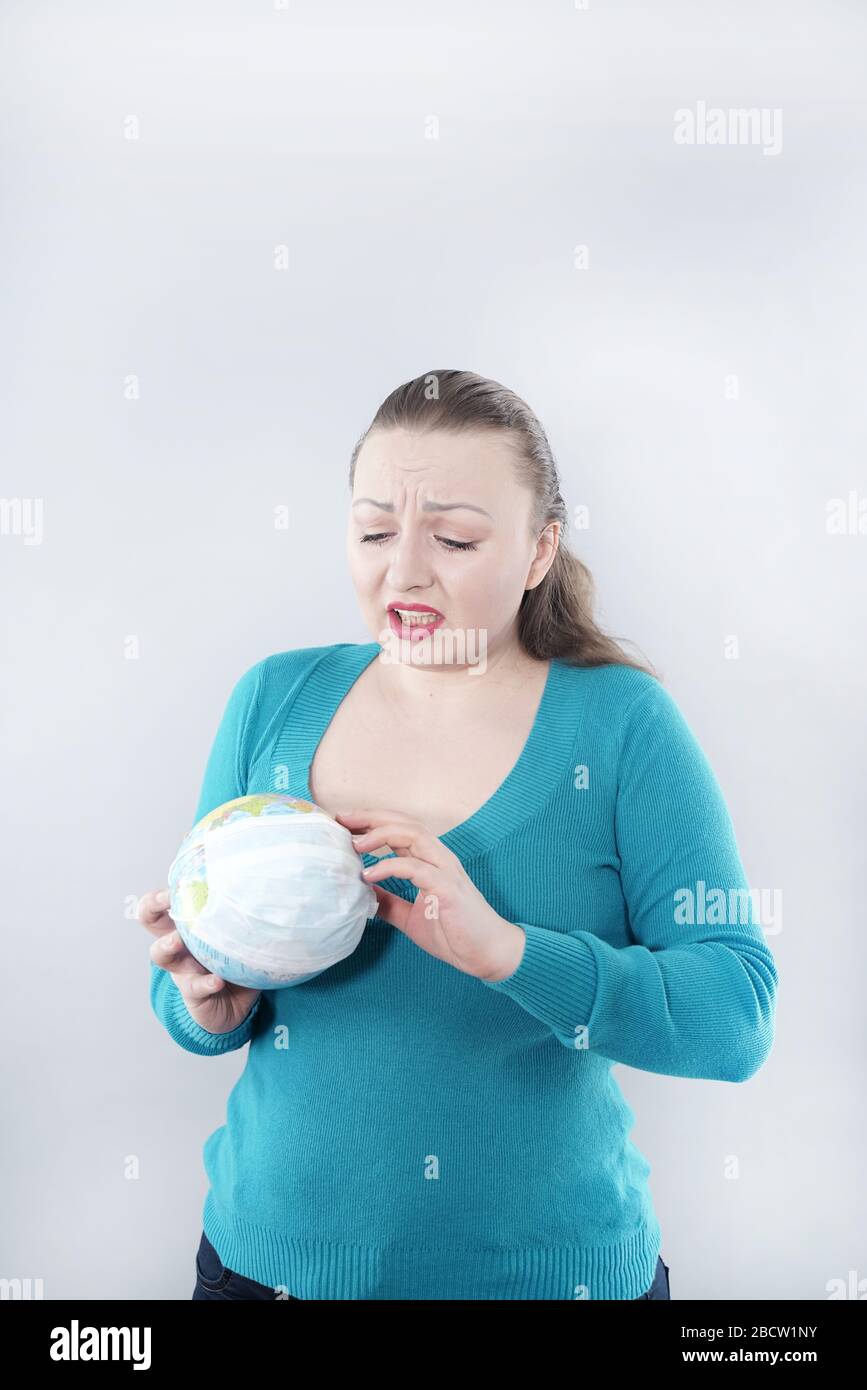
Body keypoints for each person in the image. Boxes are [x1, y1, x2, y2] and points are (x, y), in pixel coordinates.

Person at [138, 369, 778, 1300]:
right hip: (267, 1274)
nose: (402, 571)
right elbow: (188, 996)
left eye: (453, 537)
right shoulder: (271, 701)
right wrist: (205, 1004)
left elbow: (735, 1018)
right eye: (371, 531)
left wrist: (509, 953)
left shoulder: (621, 725)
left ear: (537, 550)